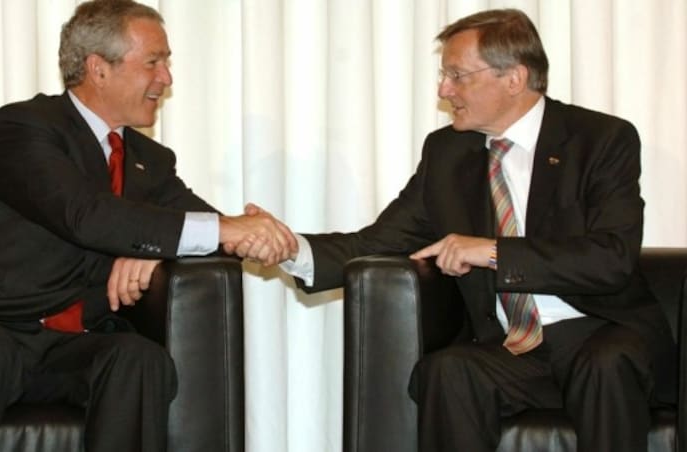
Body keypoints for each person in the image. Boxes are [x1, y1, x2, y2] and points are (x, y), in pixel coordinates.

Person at [242, 8, 675, 452]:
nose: (443, 90)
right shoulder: (448, 153)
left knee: (605, 363)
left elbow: (610, 258)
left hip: (599, 329)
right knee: (449, 370)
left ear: (514, 78)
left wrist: (492, 252)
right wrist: (291, 249)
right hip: (513, 348)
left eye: (457, 75)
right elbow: (379, 240)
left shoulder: (599, 139)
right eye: (443, 75)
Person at [0, 1, 296, 451]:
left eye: (167, 62)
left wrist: (166, 248)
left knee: (137, 359)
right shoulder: (24, 127)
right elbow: (85, 216)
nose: (166, 78)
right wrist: (218, 230)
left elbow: (205, 229)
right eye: (154, 61)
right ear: (98, 69)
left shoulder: (149, 161)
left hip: (71, 344)